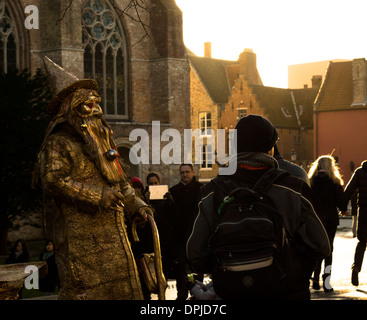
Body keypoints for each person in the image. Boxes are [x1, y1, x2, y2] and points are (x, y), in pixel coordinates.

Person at [32, 57, 153, 300]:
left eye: (97, 103)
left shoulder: (102, 140)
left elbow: (118, 179)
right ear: (72, 108)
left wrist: (136, 205)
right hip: (80, 242)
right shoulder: (59, 142)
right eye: (88, 104)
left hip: (115, 239)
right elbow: (52, 180)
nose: (96, 109)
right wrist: (98, 195)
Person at [186, 114, 331, 300]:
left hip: (232, 292)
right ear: (270, 148)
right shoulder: (293, 189)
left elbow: (194, 253)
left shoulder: (211, 192)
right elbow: (322, 245)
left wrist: (228, 269)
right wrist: (290, 267)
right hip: (287, 292)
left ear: (235, 147)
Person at [308, 155, 348, 292]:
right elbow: (342, 202)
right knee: (328, 249)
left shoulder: (311, 181)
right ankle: (326, 281)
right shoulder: (334, 181)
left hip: (315, 219)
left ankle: (315, 278)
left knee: (316, 248)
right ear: (330, 167)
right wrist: (343, 210)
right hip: (330, 219)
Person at [165, 164, 203, 300]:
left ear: (193, 172)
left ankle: (198, 295)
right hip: (180, 237)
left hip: (197, 235)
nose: (185, 175)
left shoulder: (201, 189)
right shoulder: (174, 191)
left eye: (187, 172)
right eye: (182, 172)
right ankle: (181, 295)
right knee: (181, 270)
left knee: (197, 267)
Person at [344, 160, 367, 286]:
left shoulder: (359, 172)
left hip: (363, 211)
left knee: (362, 242)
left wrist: (342, 206)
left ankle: (356, 267)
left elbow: (349, 189)